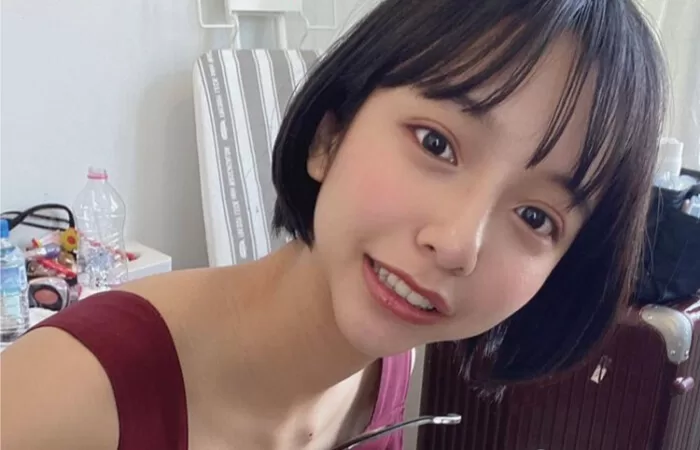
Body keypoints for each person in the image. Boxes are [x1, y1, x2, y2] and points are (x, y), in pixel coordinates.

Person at [1, 0, 667, 449]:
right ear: (329, 136)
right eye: (436, 144)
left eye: (535, 216)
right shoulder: (68, 393)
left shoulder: (390, 369)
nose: (457, 243)